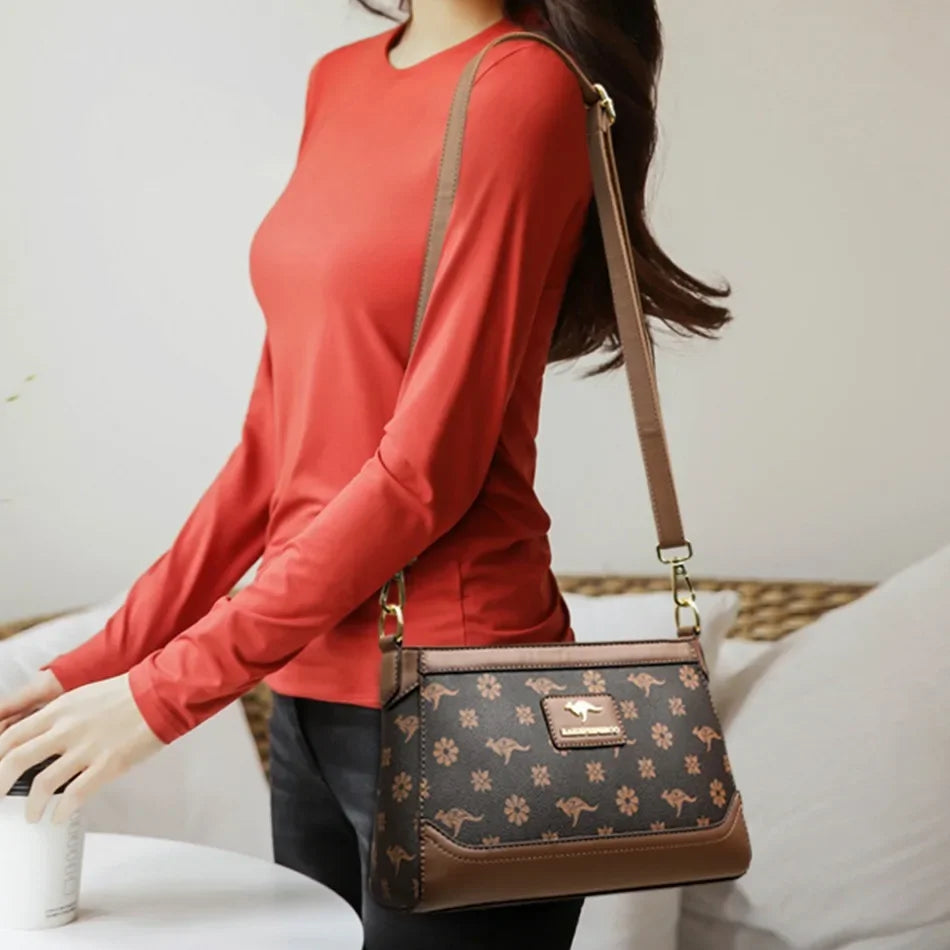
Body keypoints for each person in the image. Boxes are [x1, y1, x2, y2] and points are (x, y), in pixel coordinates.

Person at [0, 1, 731, 947]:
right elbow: (268, 458)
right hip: (305, 702)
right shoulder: (337, 79)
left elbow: (425, 473)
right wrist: (94, 668)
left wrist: (165, 691)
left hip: (462, 701)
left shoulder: (522, 86)